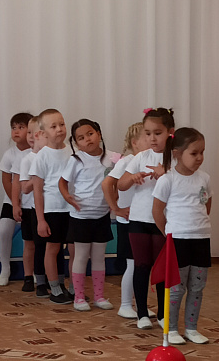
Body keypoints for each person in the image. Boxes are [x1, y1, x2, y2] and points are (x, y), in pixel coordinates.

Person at [152, 127, 212, 345]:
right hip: (177, 240)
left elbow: (206, 204)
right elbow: (157, 211)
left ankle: (192, 328)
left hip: (201, 239)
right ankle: (171, 329)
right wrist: (168, 233)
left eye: (202, 152)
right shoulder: (167, 180)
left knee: (197, 287)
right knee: (176, 289)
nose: (199, 157)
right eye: (194, 153)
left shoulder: (204, 178)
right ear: (177, 153)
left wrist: (199, 226)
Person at [118, 107, 175, 329]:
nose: (152, 138)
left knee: (162, 268)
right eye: (148, 133)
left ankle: (162, 314)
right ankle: (142, 313)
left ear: (170, 132)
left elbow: (183, 185)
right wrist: (132, 177)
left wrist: (166, 175)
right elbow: (121, 184)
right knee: (141, 266)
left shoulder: (176, 157)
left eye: (157, 133)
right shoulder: (141, 157)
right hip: (139, 219)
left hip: (163, 220)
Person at [60, 119, 119, 311]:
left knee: (99, 257)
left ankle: (99, 297)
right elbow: (62, 182)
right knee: (81, 257)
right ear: (76, 143)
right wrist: (67, 196)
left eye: (90, 133)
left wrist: (115, 200)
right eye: (81, 138)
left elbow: (118, 181)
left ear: (99, 133)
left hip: (102, 216)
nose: (87, 139)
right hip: (81, 217)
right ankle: (78, 297)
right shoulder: (76, 159)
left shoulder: (112, 158)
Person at [104, 123, 152, 319]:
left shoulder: (150, 161)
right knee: (133, 265)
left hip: (143, 221)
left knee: (143, 265)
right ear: (135, 143)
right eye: (147, 137)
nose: (152, 141)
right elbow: (107, 184)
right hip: (129, 223)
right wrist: (116, 209)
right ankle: (125, 304)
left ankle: (140, 304)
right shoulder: (128, 161)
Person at [29, 108, 74, 304]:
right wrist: (41, 219)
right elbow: (37, 191)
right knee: (52, 248)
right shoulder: (42, 156)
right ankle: (55, 288)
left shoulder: (73, 151)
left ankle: (74, 288)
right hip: (53, 210)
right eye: (53, 126)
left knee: (75, 250)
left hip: (72, 209)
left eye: (62, 124)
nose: (59, 129)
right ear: (43, 133)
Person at [0, 112, 33, 286]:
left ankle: (32, 271)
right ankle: (5, 268)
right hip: (11, 200)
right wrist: (14, 201)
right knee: (4, 230)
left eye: (21, 127)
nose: (16, 131)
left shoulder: (36, 152)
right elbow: (6, 179)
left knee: (30, 238)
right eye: (13, 128)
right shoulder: (9, 154)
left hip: (32, 202)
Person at [13, 116, 41, 292]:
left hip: (47, 208)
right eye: (29, 132)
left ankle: (44, 276)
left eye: (35, 132)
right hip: (28, 207)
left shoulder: (50, 156)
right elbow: (18, 183)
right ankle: (28, 276)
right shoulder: (24, 158)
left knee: (45, 245)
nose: (31, 136)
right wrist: (16, 205)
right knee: (29, 244)